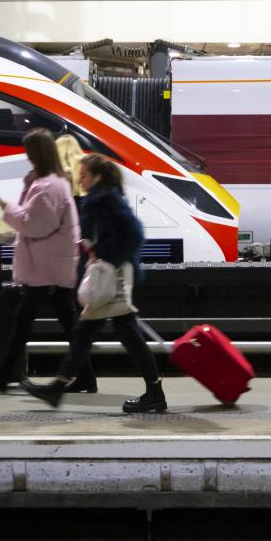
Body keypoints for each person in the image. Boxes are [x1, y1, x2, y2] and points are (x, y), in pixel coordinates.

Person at [21, 154, 167, 414]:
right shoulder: (102, 198)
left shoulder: (104, 199)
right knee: (95, 333)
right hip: (110, 276)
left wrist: (105, 255)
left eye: (85, 175)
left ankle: (154, 393)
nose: (80, 179)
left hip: (112, 276)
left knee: (99, 333)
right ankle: (60, 387)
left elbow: (134, 233)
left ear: (97, 176)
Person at [0, 128, 97, 393]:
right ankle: (85, 377)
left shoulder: (49, 186)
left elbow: (35, 224)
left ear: (39, 152)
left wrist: (8, 208)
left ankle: (1, 376)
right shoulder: (50, 182)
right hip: (51, 262)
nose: (27, 157)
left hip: (46, 265)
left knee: (24, 322)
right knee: (66, 323)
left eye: (29, 152)